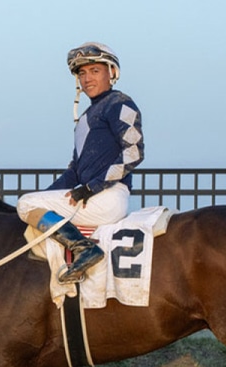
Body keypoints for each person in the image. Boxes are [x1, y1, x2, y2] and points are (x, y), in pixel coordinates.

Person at [16, 42, 144, 283]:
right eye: (82, 73)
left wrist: (90, 187)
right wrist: (45, 198)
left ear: (112, 73)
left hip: (106, 197)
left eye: (95, 71)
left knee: (24, 204)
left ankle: (85, 249)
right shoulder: (85, 117)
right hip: (87, 196)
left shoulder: (120, 103)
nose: (87, 79)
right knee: (32, 204)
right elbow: (74, 172)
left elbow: (134, 152)